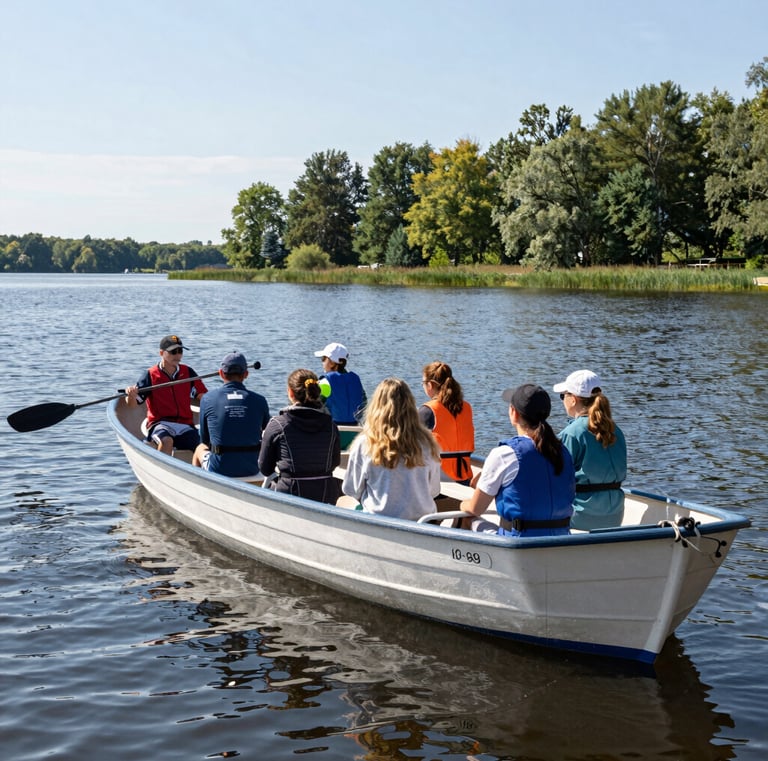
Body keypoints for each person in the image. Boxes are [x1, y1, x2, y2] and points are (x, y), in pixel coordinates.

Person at [460, 383, 575, 537]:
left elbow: (475, 508)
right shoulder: (564, 452)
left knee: (468, 517)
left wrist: (462, 504)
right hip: (560, 539)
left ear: (514, 413)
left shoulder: (504, 454)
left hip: (518, 543)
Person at [342, 377, 442, 520]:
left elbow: (351, 489)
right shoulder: (428, 443)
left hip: (379, 520)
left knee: (343, 502)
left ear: (376, 407)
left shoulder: (365, 443)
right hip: (421, 522)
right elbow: (433, 490)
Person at [553, 369, 627, 530]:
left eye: (563, 396)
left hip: (581, 517)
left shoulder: (572, 434)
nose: (562, 400)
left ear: (573, 400)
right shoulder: (617, 431)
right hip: (615, 515)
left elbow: (555, 477)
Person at [258, 368, 342, 504]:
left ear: (290, 393)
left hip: (289, 495)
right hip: (325, 495)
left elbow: (265, 468)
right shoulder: (331, 426)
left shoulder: (277, 425)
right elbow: (334, 463)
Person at [125, 334, 207, 454]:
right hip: (160, 424)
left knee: (203, 447)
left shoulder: (188, 372)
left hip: (185, 425)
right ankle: (159, 470)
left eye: (180, 351)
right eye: (173, 351)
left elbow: (203, 396)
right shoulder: (150, 375)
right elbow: (132, 405)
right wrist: (130, 396)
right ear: (161, 353)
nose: (178, 355)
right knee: (167, 441)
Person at [192, 351, 271, 477]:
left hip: (219, 468)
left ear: (221, 373)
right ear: (246, 374)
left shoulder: (207, 399)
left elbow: (205, 439)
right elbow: (268, 434)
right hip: (251, 468)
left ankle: (197, 488)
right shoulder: (260, 400)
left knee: (199, 449)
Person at [418, 361, 475, 484]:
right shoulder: (466, 408)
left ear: (430, 385)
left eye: (423, 383)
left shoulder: (427, 411)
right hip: (464, 478)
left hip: (440, 480)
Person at [313, 341, 367, 425]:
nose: (322, 362)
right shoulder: (355, 379)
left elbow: (314, 405)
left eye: (323, 359)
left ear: (331, 363)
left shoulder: (325, 381)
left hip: (332, 428)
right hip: (354, 427)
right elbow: (364, 403)